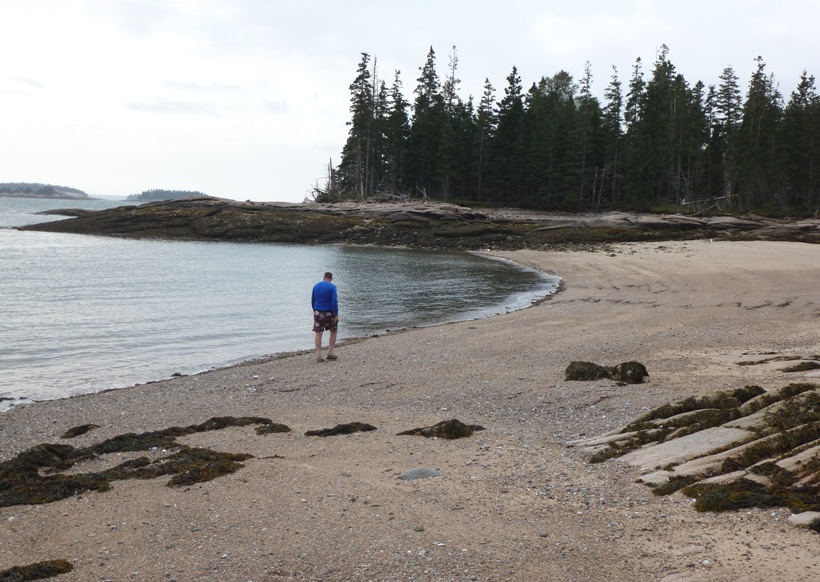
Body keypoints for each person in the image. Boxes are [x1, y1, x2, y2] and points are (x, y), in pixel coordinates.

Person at [311, 272, 339, 362]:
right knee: (333, 331)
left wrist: (314, 311)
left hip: (318, 311)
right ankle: (330, 353)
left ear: (324, 277)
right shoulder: (332, 287)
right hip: (329, 312)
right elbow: (334, 302)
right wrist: (336, 314)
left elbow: (313, 300)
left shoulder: (316, 286)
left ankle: (319, 355)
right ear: (331, 279)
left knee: (318, 333)